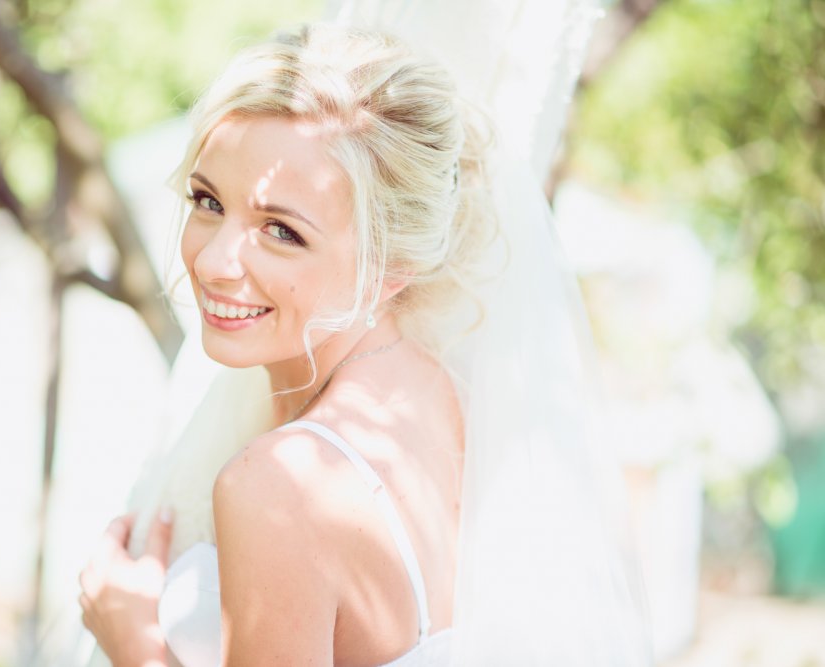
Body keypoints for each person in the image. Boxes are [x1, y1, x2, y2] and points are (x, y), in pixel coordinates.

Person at [77, 19, 651, 667]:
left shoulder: (283, 485)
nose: (212, 261)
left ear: (391, 265)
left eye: (281, 231)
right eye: (208, 201)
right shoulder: (456, 396)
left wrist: (134, 643)